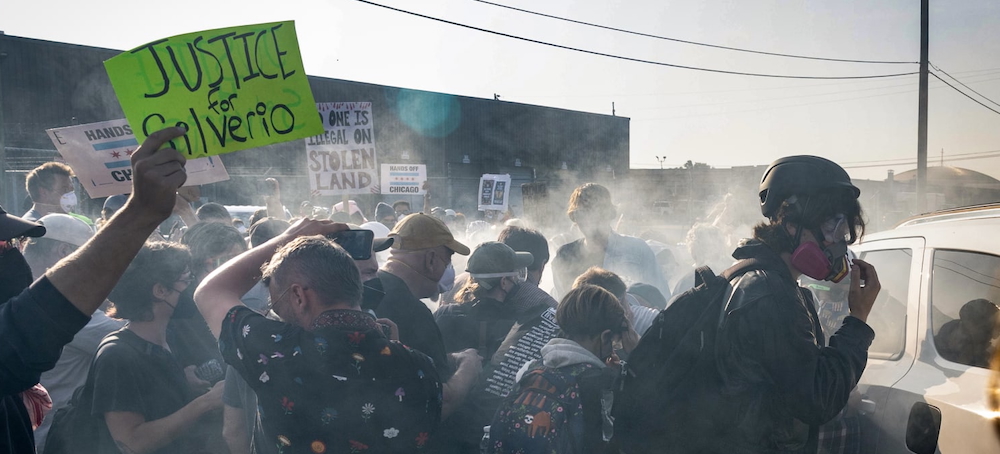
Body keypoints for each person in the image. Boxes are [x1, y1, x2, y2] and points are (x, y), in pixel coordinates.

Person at [0, 126, 190, 453]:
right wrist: (141, 212)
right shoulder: (111, 344)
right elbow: (31, 325)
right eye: (4, 245)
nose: (14, 252)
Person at [194, 220, 444, 453]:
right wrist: (395, 349)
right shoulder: (422, 367)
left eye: (275, 300)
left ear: (299, 296)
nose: (274, 311)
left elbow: (210, 291)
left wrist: (290, 237)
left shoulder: (275, 351)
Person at [697, 155, 882, 452]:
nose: (838, 243)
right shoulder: (768, 295)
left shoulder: (771, 283)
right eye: (831, 226)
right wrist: (858, 321)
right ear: (791, 223)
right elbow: (817, 399)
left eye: (843, 231)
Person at [90, 242, 224, 454]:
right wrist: (206, 402)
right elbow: (132, 442)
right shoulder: (117, 356)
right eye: (186, 280)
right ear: (160, 290)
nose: (193, 287)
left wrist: (182, 381)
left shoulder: (166, 338)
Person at [26, 214, 126, 452]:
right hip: (52, 437)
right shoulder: (59, 304)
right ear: (63, 252)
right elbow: (136, 334)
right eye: (92, 257)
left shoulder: (17, 289)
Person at [488, 285, 628, 454]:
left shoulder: (529, 368)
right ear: (605, 336)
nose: (613, 351)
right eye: (615, 343)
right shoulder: (599, 382)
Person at [377, 213, 483, 418]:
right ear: (431, 260)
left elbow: (407, 360)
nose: (448, 268)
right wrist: (468, 368)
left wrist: (449, 359)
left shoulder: (369, 290)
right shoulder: (412, 312)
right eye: (448, 259)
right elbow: (439, 403)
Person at [551, 183, 669, 300]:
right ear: (574, 218)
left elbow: (661, 298)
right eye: (582, 213)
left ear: (609, 213)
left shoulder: (637, 249)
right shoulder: (565, 255)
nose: (590, 219)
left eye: (597, 211)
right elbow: (560, 304)